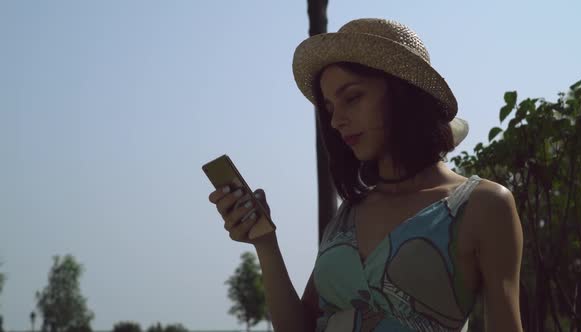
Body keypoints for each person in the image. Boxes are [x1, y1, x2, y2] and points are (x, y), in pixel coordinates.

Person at [208, 18, 523, 332]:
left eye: (353, 97)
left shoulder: (483, 205)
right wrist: (265, 243)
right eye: (330, 107)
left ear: (402, 94)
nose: (336, 121)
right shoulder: (348, 215)